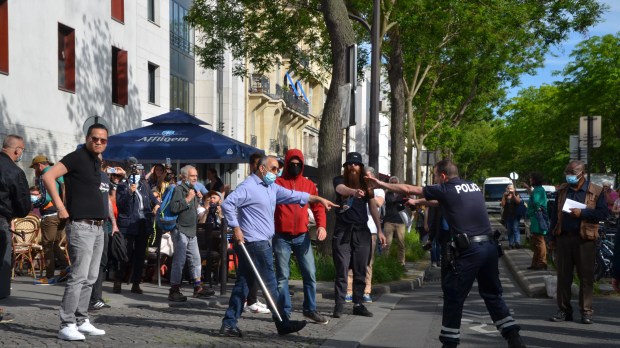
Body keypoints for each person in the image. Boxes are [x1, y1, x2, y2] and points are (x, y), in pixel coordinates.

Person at [365, 159, 525, 348]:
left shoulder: (446, 188)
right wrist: (418, 202)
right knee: (492, 295)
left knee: (454, 296)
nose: (434, 180)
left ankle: (449, 343)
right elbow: (440, 201)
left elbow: (409, 188)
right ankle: (512, 335)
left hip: (469, 251)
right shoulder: (471, 186)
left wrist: (381, 183)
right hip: (489, 247)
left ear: (442, 176)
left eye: (434, 176)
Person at [219, 155, 337, 337]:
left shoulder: (271, 187)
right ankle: (282, 322)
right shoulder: (248, 186)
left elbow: (293, 195)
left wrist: (318, 199)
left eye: (278, 169)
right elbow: (227, 204)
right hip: (255, 243)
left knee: (243, 284)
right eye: (274, 169)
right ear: (262, 169)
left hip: (261, 242)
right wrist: (235, 228)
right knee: (271, 284)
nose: (277, 172)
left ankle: (229, 323)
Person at [42, 124, 110, 340]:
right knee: (78, 277)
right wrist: (60, 207)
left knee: (91, 277)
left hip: (99, 226)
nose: (98, 142)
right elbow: (48, 176)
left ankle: (81, 320)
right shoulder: (77, 156)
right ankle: (66, 323)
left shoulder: (96, 161)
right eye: (95, 138)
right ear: (87, 138)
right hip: (81, 225)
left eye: (103, 140)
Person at [548, 160, 607, 325]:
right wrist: (551, 237)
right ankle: (564, 310)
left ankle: (586, 311)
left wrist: (582, 213)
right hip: (564, 238)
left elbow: (603, 214)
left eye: (572, 173)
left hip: (584, 240)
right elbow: (554, 215)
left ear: (581, 174)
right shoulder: (562, 190)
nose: (569, 177)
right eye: (567, 173)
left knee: (586, 277)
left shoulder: (596, 190)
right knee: (563, 277)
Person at [273, 149, 329, 323]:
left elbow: (318, 207)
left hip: (302, 235)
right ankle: (284, 312)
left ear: (302, 165)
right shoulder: (277, 183)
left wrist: (322, 226)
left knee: (310, 274)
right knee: (282, 277)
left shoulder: (308, 185)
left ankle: (310, 309)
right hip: (282, 235)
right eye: (292, 163)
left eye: (298, 164)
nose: (295, 166)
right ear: (288, 163)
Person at [332, 152, 385, 319]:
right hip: (343, 231)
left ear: (360, 167)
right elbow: (340, 190)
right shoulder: (340, 180)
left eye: (355, 164)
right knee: (342, 268)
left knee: (361, 268)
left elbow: (373, 207)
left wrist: (380, 229)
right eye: (349, 164)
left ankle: (358, 303)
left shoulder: (366, 184)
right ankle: (339, 305)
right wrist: (353, 191)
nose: (352, 167)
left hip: (362, 231)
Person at [167, 165, 214, 302]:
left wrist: (199, 200)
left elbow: (193, 210)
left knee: (196, 260)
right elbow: (174, 208)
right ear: (184, 177)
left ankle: (197, 287)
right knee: (179, 261)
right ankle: (174, 289)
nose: (195, 178)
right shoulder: (178, 189)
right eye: (192, 176)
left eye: (196, 176)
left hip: (191, 230)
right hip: (180, 229)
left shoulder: (192, 190)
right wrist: (188, 198)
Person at [113, 163, 159, 294]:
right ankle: (118, 280)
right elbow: (120, 204)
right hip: (128, 225)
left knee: (140, 255)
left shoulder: (145, 185)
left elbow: (154, 200)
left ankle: (136, 283)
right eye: (135, 172)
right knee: (125, 254)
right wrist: (129, 192)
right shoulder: (123, 186)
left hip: (143, 223)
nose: (138, 174)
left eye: (139, 172)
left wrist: (156, 206)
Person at [0, 134, 31, 323]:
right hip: (1, 220)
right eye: (22, 150)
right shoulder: (14, 171)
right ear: (17, 150)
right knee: (1, 266)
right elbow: (23, 206)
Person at [344, 166, 385, 304]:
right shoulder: (354, 188)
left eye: (368, 176)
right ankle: (349, 291)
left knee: (367, 263)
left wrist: (368, 191)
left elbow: (377, 204)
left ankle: (366, 291)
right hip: (355, 228)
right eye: (364, 176)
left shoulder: (377, 190)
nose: (365, 179)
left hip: (371, 230)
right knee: (351, 262)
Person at [30, 155, 68, 283]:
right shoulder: (59, 173)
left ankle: (49, 277)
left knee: (47, 245)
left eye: (35, 167)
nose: (35, 170)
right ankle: (65, 268)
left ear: (39, 165)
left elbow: (46, 198)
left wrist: (33, 204)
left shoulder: (44, 175)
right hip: (63, 213)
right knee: (55, 243)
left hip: (50, 214)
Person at [89, 162, 120, 311]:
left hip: (104, 224)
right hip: (88, 224)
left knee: (101, 262)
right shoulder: (87, 174)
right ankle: (88, 299)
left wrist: (113, 222)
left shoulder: (104, 177)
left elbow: (108, 200)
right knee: (88, 264)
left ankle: (96, 297)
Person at [242, 153, 270, 314]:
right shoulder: (248, 185)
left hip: (262, 235)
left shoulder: (263, 185)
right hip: (251, 236)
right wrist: (236, 230)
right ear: (256, 166)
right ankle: (250, 301)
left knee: (251, 273)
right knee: (253, 271)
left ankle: (250, 300)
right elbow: (230, 206)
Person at [523, 173, 548, 270]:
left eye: (530, 179)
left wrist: (534, 211)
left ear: (534, 180)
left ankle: (542, 262)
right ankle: (536, 263)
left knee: (539, 241)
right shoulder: (538, 190)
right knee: (536, 242)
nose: (530, 180)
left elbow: (537, 203)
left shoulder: (538, 190)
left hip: (537, 219)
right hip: (535, 218)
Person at [382, 176, 407, 268]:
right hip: (389, 221)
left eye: (395, 182)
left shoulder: (402, 193)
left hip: (400, 221)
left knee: (401, 243)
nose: (393, 184)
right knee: (387, 244)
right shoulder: (386, 193)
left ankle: (401, 264)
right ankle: (385, 264)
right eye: (391, 182)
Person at [501, 184, 521, 249]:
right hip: (507, 215)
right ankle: (511, 244)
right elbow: (503, 205)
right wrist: (504, 196)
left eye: (511, 188)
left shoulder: (516, 194)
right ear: (506, 189)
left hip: (515, 215)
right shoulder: (505, 195)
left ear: (514, 189)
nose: (510, 190)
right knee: (509, 230)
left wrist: (514, 195)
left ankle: (517, 242)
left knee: (515, 228)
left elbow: (518, 202)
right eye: (508, 188)